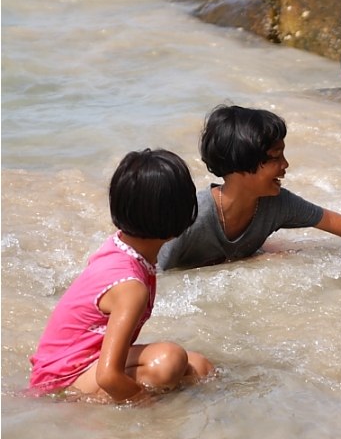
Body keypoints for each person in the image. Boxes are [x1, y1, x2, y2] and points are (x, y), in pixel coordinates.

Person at [29, 149, 215, 402]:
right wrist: (147, 407)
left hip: (74, 367)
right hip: (60, 384)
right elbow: (108, 376)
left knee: (201, 368)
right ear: (182, 215)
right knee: (168, 360)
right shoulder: (130, 287)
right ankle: (84, 405)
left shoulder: (121, 247)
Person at [158, 104, 341, 270]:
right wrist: (249, 263)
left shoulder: (279, 204)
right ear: (241, 164)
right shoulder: (191, 218)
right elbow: (156, 275)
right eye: (275, 157)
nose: (285, 165)